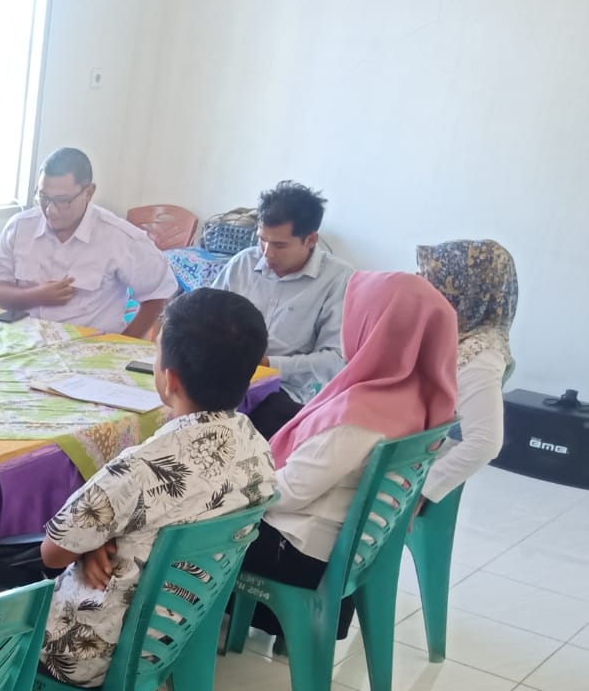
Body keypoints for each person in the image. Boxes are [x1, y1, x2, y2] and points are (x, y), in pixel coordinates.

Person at [37, 287, 277, 685]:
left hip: (87, 653)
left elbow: (52, 554)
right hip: (174, 633)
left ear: (169, 378)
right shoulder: (256, 445)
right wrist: (102, 540)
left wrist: (93, 542)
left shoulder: (140, 467)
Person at [241, 271, 458, 639]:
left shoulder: (362, 415)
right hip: (336, 542)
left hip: (299, 550)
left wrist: (230, 485)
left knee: (185, 527)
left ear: (377, 328)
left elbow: (288, 493)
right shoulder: (414, 397)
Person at [0, 147, 177, 338]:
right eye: (43, 197)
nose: (50, 210)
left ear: (88, 192)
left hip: (91, 348)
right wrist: (36, 295)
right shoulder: (20, 227)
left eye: (62, 200)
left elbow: (159, 292)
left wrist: (125, 343)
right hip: (24, 343)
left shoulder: (119, 237)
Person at [213, 182, 355, 438]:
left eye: (279, 245)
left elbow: (335, 361)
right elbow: (204, 316)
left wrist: (267, 364)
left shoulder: (339, 279)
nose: (267, 253)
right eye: (262, 240)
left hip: (286, 390)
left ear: (311, 240)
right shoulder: (243, 263)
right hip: (227, 376)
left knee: (238, 433)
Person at [415, 239, 517, 503]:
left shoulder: (480, 353)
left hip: (414, 476)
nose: (424, 287)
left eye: (435, 280)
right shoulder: (464, 336)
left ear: (466, 289)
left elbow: (484, 443)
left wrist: (419, 493)